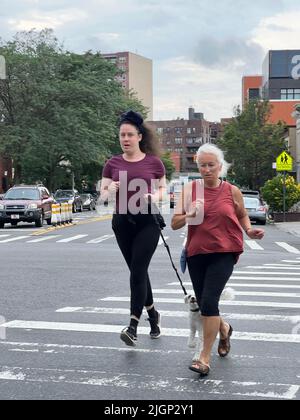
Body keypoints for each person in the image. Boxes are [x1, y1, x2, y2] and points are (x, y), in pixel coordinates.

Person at [171, 143, 264, 376]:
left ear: (220, 166)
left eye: (211, 165)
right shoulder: (190, 189)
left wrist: (249, 231)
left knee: (210, 302)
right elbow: (174, 223)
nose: (207, 169)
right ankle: (224, 327)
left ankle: (204, 357)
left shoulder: (231, 191)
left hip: (224, 252)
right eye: (202, 165)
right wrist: (189, 214)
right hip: (197, 252)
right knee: (204, 303)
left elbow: (242, 214)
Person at [100, 110, 167, 347]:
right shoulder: (112, 164)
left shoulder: (154, 163)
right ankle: (153, 314)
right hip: (121, 223)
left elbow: (162, 189)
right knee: (137, 272)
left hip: (147, 222)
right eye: (122, 135)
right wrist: (111, 191)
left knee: (138, 271)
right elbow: (103, 196)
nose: (125, 139)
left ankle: (132, 326)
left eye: (130, 134)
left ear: (140, 137)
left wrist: (154, 196)